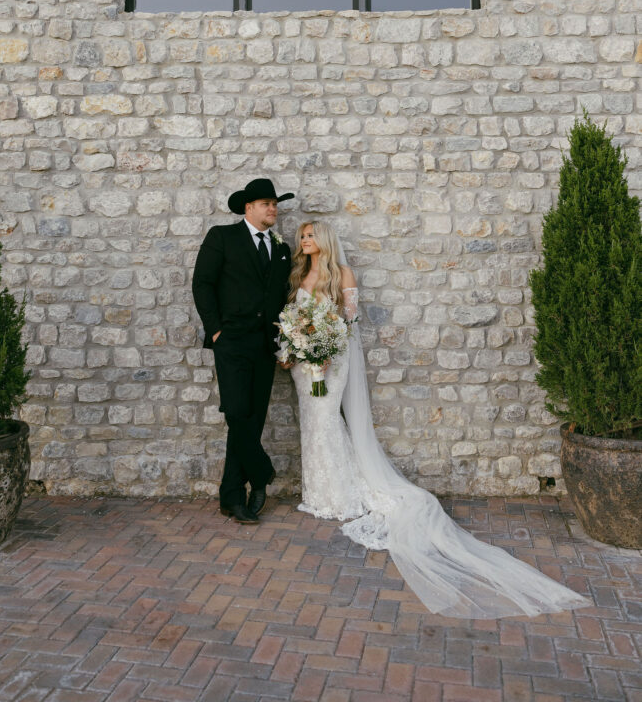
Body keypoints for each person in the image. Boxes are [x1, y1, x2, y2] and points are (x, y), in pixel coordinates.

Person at [280, 219, 589, 619]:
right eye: (301, 237)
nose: (304, 241)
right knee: (313, 422)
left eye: (309, 236)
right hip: (305, 366)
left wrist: (324, 345)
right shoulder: (301, 274)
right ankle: (318, 492)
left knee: (325, 421)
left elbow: (350, 323)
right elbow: (295, 318)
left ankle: (338, 494)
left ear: (322, 240)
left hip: (332, 360)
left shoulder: (343, 274)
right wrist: (297, 346)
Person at [192, 178, 293, 525]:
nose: (273, 208)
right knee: (236, 412)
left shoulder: (282, 247)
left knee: (252, 419)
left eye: (275, 203)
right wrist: (216, 330)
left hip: (265, 346)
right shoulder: (222, 237)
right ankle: (261, 472)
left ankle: (231, 496)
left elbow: (279, 295)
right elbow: (202, 283)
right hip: (232, 341)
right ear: (248, 207)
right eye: (266, 203)